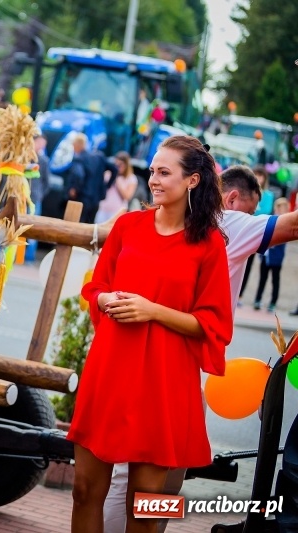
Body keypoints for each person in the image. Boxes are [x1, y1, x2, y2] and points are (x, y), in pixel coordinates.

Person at [104, 163, 298, 533]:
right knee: (138, 472)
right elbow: (292, 224)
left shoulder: (173, 224)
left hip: (177, 363)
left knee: (162, 473)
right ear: (231, 197)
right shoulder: (230, 223)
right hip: (167, 362)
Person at [70, 135, 233, 533]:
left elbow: (214, 325)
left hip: (164, 380)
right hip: (110, 370)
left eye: (164, 172)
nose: (153, 179)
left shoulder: (209, 244)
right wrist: (107, 297)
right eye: (152, 171)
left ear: (193, 180)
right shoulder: (127, 226)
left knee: (147, 505)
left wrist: (152, 311)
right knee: (84, 489)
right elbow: (95, 288)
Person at [239, 165, 274, 304]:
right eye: (256, 174)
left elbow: (266, 211)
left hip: (257, 231)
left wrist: (252, 213)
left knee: (250, 265)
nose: (259, 178)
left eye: (261, 175)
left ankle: (242, 295)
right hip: (243, 230)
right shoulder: (246, 193)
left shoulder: (268, 195)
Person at [254, 197, 289, 312]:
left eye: (281, 208)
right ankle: (257, 299)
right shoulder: (271, 219)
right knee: (262, 279)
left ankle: (273, 302)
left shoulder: (286, 223)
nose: (278, 210)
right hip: (266, 255)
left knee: (275, 280)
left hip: (276, 257)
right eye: (277, 208)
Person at [95, 151, 137, 223]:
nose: (118, 167)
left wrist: (117, 180)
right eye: (116, 164)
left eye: (120, 165)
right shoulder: (108, 174)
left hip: (117, 213)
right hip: (103, 210)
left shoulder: (131, 178)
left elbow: (127, 196)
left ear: (126, 165)